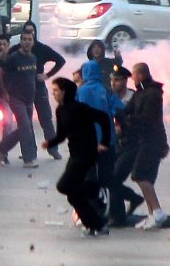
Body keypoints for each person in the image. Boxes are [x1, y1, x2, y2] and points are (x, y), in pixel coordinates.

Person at [44, 76, 112, 236]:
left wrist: (105, 142)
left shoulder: (79, 108)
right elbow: (62, 135)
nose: (52, 94)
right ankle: (97, 225)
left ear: (64, 91)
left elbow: (103, 118)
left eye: (55, 90)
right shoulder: (60, 110)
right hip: (74, 154)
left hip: (86, 154)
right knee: (73, 196)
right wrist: (50, 143)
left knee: (64, 186)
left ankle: (96, 190)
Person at [76, 60, 127, 225]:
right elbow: (119, 109)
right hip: (107, 140)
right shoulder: (106, 90)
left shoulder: (80, 91)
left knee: (89, 178)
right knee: (108, 178)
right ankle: (116, 214)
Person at [124, 63, 170, 229]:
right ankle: (153, 214)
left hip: (151, 141)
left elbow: (148, 119)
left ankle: (157, 212)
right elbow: (127, 109)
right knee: (145, 177)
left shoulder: (152, 94)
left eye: (134, 75)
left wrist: (129, 120)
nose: (133, 79)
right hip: (144, 140)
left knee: (140, 175)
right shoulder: (141, 92)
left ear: (141, 75)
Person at [107, 65, 145, 225]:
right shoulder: (109, 97)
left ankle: (121, 213)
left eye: (117, 80)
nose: (113, 83)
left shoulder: (134, 97)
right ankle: (118, 214)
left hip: (132, 144)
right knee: (109, 179)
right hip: (114, 144)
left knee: (114, 179)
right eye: (112, 80)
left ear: (125, 80)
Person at [0, 32, 39, 168]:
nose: (27, 42)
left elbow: (31, 78)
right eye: (24, 39)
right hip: (16, 98)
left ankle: (2, 147)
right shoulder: (13, 58)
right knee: (25, 127)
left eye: (29, 40)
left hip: (29, 99)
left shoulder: (33, 58)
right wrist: (5, 92)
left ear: (33, 42)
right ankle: (28, 160)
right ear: (20, 42)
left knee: (23, 128)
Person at [22, 22, 65, 160]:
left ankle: (53, 150)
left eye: (32, 32)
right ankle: (30, 152)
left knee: (46, 119)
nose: (28, 38)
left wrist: (47, 75)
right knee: (26, 123)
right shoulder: (17, 50)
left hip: (39, 88)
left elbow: (60, 60)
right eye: (27, 33)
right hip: (23, 90)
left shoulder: (41, 48)